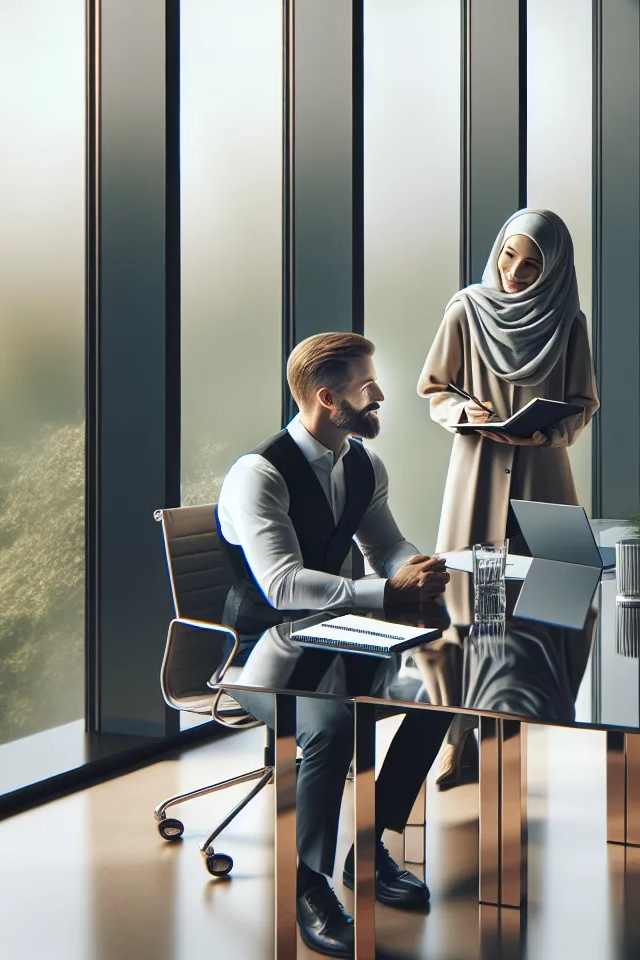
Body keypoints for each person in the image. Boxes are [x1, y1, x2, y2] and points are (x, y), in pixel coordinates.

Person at [217, 333, 453, 958]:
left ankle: (368, 847)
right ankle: (308, 884)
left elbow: (386, 546)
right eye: (367, 387)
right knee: (329, 724)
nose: (380, 397)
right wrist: (385, 593)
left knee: (443, 691)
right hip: (257, 649)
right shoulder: (259, 475)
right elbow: (282, 584)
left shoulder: (363, 464)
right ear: (328, 398)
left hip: (336, 639)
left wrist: (414, 568)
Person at [418, 207, 600, 787]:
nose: (514, 273)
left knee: (563, 603)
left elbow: (583, 404)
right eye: (508, 257)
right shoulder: (466, 310)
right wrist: (463, 411)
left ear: (553, 270)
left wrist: (547, 433)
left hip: (545, 482)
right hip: (477, 477)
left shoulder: (568, 321)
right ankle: (457, 740)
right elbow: (434, 388)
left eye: (531, 266)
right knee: (470, 615)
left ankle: (529, 724)